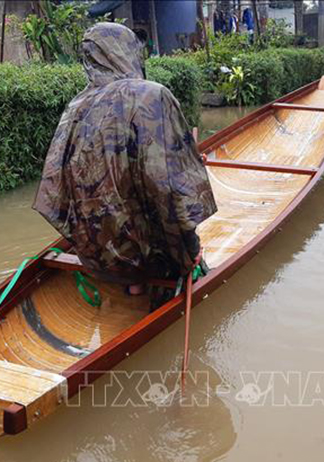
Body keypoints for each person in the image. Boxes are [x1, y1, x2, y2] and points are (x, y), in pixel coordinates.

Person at [33, 23, 217, 303]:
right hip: (151, 257)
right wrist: (191, 253)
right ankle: (149, 276)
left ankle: (132, 282)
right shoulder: (151, 96)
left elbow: (54, 193)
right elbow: (169, 187)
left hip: (96, 257)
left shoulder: (75, 107)